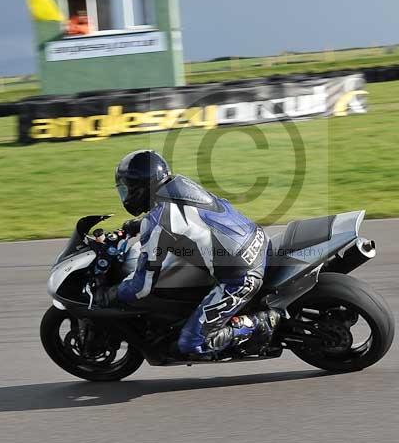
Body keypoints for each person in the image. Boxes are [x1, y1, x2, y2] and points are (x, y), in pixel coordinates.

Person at [103, 150, 282, 358]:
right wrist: (133, 227)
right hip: (256, 241)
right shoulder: (179, 186)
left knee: (192, 344)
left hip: (242, 276)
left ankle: (261, 323)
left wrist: (111, 294)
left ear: (140, 188)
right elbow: (184, 219)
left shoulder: (159, 220)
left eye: (125, 190)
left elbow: (141, 287)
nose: (125, 196)